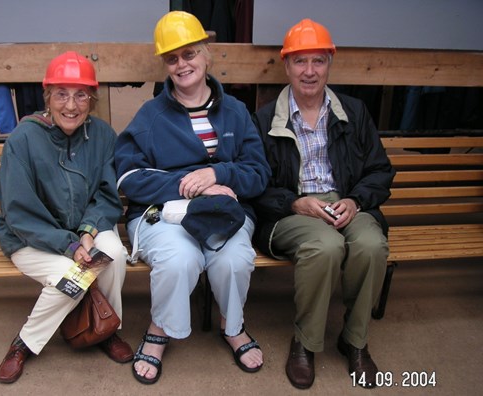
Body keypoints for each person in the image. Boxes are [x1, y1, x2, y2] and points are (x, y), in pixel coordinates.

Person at [115, 11, 271, 385]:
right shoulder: (151, 115)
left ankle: (232, 326)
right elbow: (128, 178)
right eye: (172, 58)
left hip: (224, 210)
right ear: (165, 65)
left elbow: (260, 173)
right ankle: (159, 330)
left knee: (234, 258)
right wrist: (191, 182)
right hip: (163, 212)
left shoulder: (235, 111)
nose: (182, 64)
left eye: (190, 54)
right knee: (180, 258)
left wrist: (219, 173)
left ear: (206, 55)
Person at [251, 19, 396, 389]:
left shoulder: (354, 112)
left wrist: (356, 200)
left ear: (330, 63)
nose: (310, 71)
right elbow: (254, 184)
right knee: (325, 245)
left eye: (318, 61)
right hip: (291, 210)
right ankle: (306, 341)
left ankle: (354, 339)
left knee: (370, 243)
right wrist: (296, 202)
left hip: (348, 203)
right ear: (286, 66)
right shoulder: (265, 120)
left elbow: (380, 170)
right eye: (300, 62)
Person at [0, 51, 133, 384]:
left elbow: (106, 193)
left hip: (84, 229)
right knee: (73, 276)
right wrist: (71, 245)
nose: (71, 105)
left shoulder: (101, 135)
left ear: (92, 99)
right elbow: (19, 212)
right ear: (48, 97)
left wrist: (87, 232)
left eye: (81, 94)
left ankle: (107, 327)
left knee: (114, 255)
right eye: (61, 94)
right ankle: (24, 344)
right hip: (30, 237)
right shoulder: (23, 139)